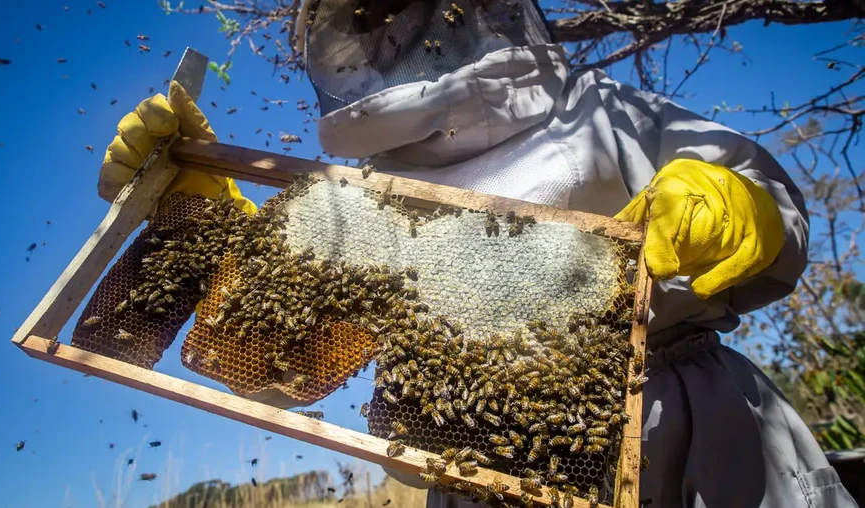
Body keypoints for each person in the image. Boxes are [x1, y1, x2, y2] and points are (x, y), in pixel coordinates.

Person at [98, 1, 857, 506]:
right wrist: (209, 224)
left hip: (687, 426)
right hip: (481, 465)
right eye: (371, 20)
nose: (396, 35)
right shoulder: (357, 198)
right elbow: (278, 359)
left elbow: (767, 207)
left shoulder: (602, 111)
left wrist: (736, 199)